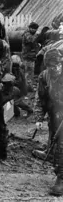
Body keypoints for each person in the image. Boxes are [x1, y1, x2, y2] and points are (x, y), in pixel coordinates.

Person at [33, 48, 63, 197]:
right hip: (55, 114)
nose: (54, 69)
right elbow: (41, 99)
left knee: (61, 146)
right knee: (54, 141)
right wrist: (39, 118)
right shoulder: (44, 77)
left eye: (57, 65)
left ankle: (61, 179)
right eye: (51, 66)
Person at [22, 22, 40, 92]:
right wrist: (38, 36)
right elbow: (31, 40)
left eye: (36, 29)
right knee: (27, 73)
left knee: (31, 73)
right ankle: (26, 88)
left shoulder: (32, 34)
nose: (35, 31)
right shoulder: (27, 34)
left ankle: (29, 87)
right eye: (34, 29)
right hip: (27, 57)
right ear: (30, 28)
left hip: (31, 57)